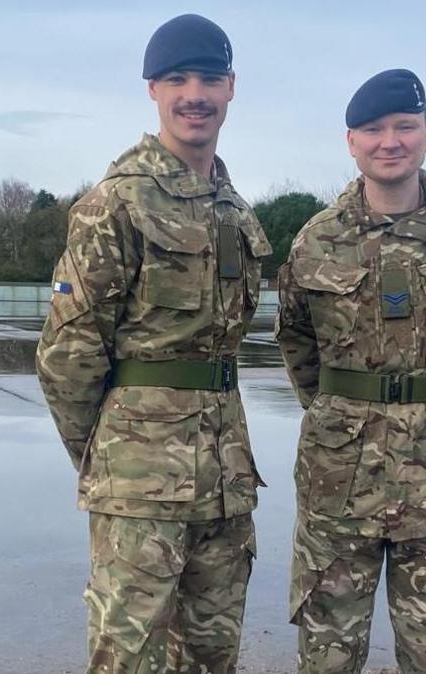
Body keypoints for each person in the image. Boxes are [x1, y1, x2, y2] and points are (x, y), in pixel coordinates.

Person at [35, 15, 270, 673]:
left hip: (226, 479)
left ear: (230, 89)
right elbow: (67, 352)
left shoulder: (235, 211)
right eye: (177, 79)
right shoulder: (117, 202)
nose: (194, 94)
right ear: (152, 89)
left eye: (209, 78)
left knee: (212, 655)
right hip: (138, 484)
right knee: (128, 658)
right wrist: (109, 453)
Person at [275, 68, 426, 674]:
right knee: (328, 649)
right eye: (373, 129)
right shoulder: (316, 240)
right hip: (339, 471)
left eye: (404, 127)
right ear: (351, 142)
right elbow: (296, 339)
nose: (390, 141)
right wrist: (342, 408)